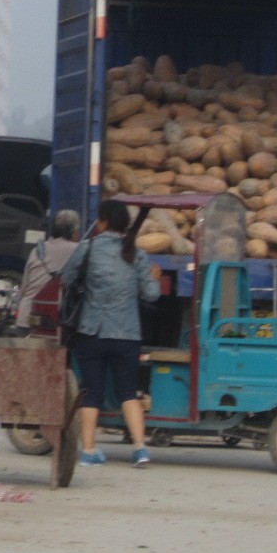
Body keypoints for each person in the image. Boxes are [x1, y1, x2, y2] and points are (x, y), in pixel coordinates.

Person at [60, 198, 160, 468]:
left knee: (92, 392)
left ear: (102, 223)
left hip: (91, 332)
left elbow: (67, 278)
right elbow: (152, 294)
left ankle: (89, 451)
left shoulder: (88, 248)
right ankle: (140, 449)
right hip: (127, 334)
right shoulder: (137, 254)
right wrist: (154, 278)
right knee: (129, 392)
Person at [18, 210, 82, 316]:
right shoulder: (79, 250)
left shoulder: (37, 250)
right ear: (74, 232)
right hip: (55, 320)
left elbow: (24, 288)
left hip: (28, 315)